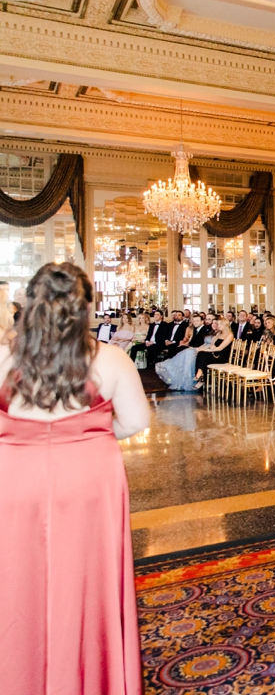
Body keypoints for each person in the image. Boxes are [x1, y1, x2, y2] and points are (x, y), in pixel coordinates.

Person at [0, 263, 150, 694]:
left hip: (17, 477)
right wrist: (88, 434)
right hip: (88, 478)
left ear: (30, 304)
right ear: (86, 308)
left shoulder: (7, 357)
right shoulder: (109, 358)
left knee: (17, 578)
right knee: (87, 582)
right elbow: (135, 420)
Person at [156, 314, 210, 390]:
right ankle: (173, 372)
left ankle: (180, 374)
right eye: (194, 321)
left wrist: (192, 347)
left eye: (197, 321)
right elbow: (190, 341)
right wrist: (186, 345)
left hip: (198, 349)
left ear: (202, 321)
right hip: (192, 347)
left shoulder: (205, 330)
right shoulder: (194, 329)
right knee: (177, 348)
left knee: (185, 352)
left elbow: (202, 342)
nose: (195, 322)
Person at [193, 317, 235, 390]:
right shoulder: (218, 333)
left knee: (203, 354)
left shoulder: (230, 335)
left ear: (225, 324)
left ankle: (201, 376)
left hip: (221, 356)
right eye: (217, 324)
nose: (218, 326)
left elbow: (220, 348)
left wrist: (205, 350)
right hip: (214, 354)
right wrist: (204, 349)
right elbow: (212, 345)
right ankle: (200, 373)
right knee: (201, 354)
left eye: (219, 324)